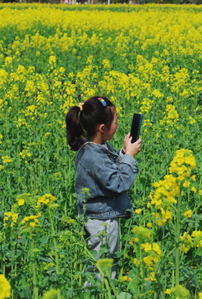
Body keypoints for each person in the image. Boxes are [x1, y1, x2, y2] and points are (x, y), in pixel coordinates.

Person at [65, 95, 141, 282]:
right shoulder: (93, 156)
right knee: (101, 272)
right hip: (103, 223)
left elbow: (109, 171)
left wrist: (123, 153)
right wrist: (129, 158)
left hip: (102, 218)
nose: (117, 125)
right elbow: (118, 183)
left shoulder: (94, 146)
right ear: (102, 128)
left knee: (102, 267)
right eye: (115, 122)